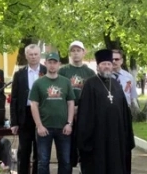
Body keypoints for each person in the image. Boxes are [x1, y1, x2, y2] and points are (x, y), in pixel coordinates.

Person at [77, 49, 135, 174]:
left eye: (109, 64)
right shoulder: (90, 84)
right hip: (98, 136)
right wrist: (86, 138)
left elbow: (124, 110)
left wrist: (127, 134)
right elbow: (85, 113)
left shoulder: (116, 84)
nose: (107, 66)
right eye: (103, 64)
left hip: (116, 135)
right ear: (98, 66)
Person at [29, 52, 75, 174]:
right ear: (45, 64)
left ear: (59, 64)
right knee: (43, 161)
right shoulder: (39, 83)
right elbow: (34, 105)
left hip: (63, 128)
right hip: (44, 128)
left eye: (55, 62)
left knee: (65, 161)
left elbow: (71, 103)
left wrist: (69, 123)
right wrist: (39, 126)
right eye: (50, 62)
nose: (52, 65)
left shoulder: (66, 82)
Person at [10, 44, 47, 174]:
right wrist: (14, 122)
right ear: (26, 56)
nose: (33, 57)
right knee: (24, 150)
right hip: (24, 115)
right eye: (30, 54)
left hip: (42, 115)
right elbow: (13, 99)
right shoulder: (19, 74)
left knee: (40, 151)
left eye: (36, 54)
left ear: (39, 55)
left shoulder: (46, 71)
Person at [58, 40, 95, 168]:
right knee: (67, 145)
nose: (76, 53)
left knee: (83, 142)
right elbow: (59, 91)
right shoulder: (63, 71)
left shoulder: (90, 73)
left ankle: (83, 167)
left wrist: (80, 108)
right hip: (66, 113)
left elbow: (92, 95)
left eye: (78, 50)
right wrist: (69, 108)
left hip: (83, 112)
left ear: (83, 52)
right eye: (73, 51)